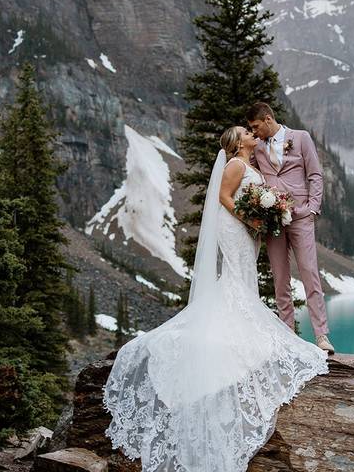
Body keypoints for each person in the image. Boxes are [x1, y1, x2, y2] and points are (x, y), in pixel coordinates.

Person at [101, 126, 328, 471]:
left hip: (246, 229)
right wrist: (249, 217)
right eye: (245, 132)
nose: (251, 133)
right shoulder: (236, 164)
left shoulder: (251, 162)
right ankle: (239, 328)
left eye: (251, 130)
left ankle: (242, 322)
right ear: (238, 143)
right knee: (237, 279)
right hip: (234, 227)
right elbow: (224, 196)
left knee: (243, 279)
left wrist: (262, 216)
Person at [246, 102, 335, 354]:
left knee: (310, 274)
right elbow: (246, 168)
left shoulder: (301, 138)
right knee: (280, 278)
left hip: (301, 217)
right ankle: (288, 336)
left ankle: (322, 336)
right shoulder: (257, 147)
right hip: (273, 220)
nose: (254, 133)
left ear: (267, 119)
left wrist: (312, 208)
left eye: (255, 127)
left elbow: (315, 174)